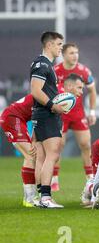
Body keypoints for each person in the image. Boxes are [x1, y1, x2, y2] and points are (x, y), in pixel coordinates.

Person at [53, 43, 98, 192]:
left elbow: (92, 91)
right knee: (58, 146)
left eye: (76, 53)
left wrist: (92, 111)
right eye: (71, 53)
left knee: (85, 144)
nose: (75, 56)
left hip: (78, 114)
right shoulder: (55, 71)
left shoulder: (84, 71)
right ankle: (54, 179)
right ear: (64, 55)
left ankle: (90, 178)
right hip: (61, 114)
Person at [30, 31, 65, 208]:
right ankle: (46, 197)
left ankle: (40, 197)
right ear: (49, 45)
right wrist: (53, 105)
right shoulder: (42, 64)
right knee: (53, 154)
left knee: (42, 157)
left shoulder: (45, 64)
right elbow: (35, 90)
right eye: (59, 44)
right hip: (46, 114)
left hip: (40, 114)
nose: (61, 48)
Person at [0, 94, 37, 207]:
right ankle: (29, 199)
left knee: (31, 155)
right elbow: (38, 121)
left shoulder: (45, 93)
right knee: (31, 155)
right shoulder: (47, 97)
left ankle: (29, 198)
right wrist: (34, 140)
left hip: (16, 118)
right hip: (13, 117)